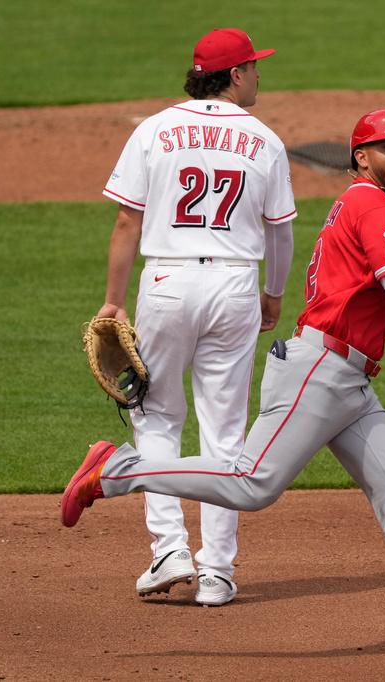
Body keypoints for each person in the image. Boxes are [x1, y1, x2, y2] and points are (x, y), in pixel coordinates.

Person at [63, 109, 385, 656]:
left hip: (349, 381)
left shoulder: (362, 208)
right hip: (319, 372)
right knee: (253, 482)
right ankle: (115, 470)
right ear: (360, 158)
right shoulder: (370, 203)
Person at [94, 28, 297, 606]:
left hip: (166, 281)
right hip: (235, 284)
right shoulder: (264, 139)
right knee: (225, 427)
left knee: (155, 415)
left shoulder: (154, 129)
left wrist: (114, 300)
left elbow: (127, 224)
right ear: (234, 75)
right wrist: (273, 293)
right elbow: (280, 230)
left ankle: (168, 550)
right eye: (255, 66)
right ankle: (217, 573)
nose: (260, 74)